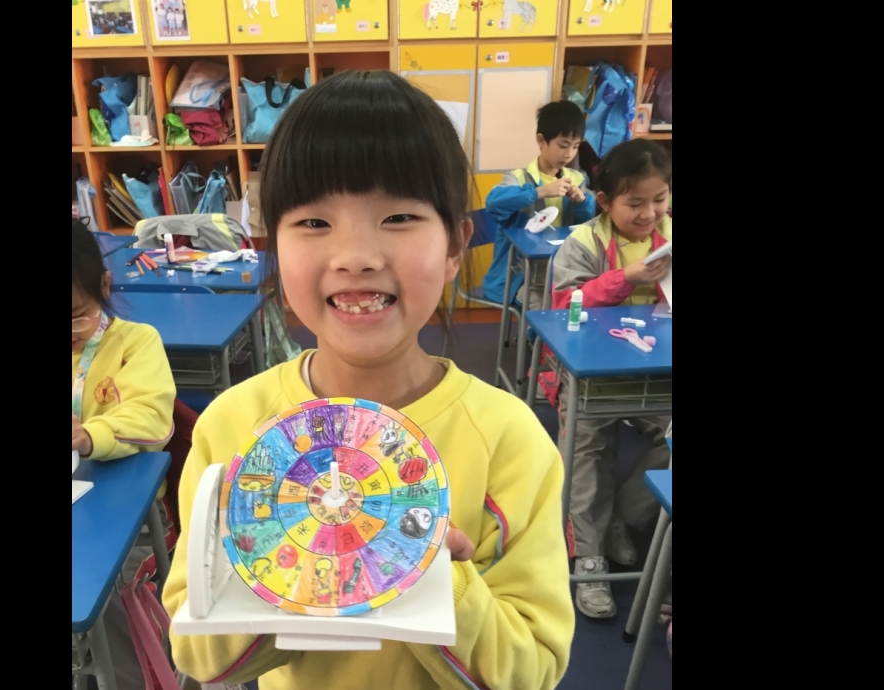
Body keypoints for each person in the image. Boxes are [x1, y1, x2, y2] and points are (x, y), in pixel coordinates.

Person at [163, 70, 574, 690]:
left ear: (456, 245)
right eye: (314, 223)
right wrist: (273, 562)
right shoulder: (233, 426)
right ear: (273, 244)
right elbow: (198, 655)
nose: (355, 255)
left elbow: (534, 667)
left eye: (399, 216)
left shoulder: (509, 439)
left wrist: (431, 573)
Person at [548, 138, 672, 619]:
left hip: (656, 377)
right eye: (635, 203)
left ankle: (624, 511)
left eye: (659, 199)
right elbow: (562, 307)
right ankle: (589, 555)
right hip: (591, 378)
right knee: (587, 451)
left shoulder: (668, 234)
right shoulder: (585, 243)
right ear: (604, 201)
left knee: (670, 438)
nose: (649, 213)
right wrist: (628, 278)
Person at [72, 219, 177, 690]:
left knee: (103, 598)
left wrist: (90, 435)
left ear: (104, 285)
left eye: (76, 315)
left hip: (123, 508)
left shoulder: (136, 343)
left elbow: (151, 419)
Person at [481, 100, 597, 311]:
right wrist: (539, 192)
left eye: (575, 146)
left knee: (583, 302)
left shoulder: (577, 179)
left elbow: (588, 223)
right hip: (521, 276)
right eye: (563, 145)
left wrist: (582, 201)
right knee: (545, 309)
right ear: (541, 141)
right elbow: (493, 202)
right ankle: (534, 333)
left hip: (563, 271)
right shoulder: (518, 178)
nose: (569, 154)